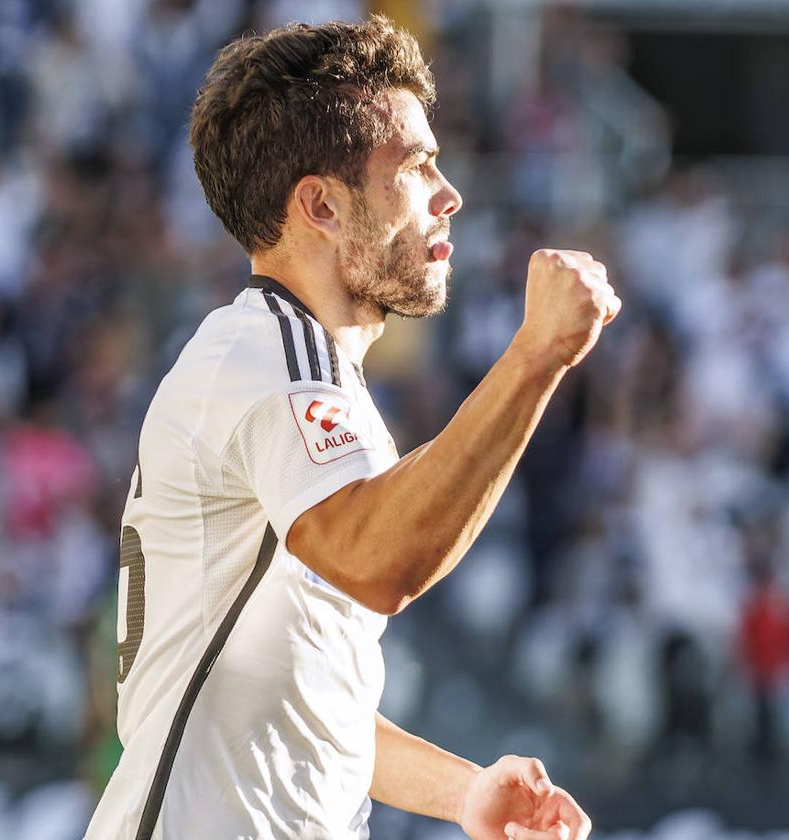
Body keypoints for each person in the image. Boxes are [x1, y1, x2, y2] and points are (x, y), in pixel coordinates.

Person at [84, 15, 618, 840]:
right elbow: (380, 561)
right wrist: (535, 357)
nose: (450, 195)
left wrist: (465, 794)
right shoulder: (273, 359)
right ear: (321, 205)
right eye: (416, 166)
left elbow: (305, 702)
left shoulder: (287, 363)